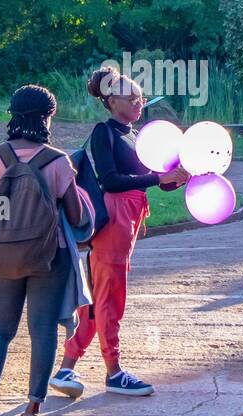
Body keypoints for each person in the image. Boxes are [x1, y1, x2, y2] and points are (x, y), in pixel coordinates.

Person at [49, 68, 188, 398]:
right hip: (113, 221)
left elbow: (150, 179)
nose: (140, 103)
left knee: (100, 298)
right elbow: (110, 180)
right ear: (112, 101)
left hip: (128, 222)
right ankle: (113, 372)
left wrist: (177, 176)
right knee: (110, 298)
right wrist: (157, 179)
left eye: (142, 97)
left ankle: (66, 368)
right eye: (132, 98)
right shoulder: (104, 133)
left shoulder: (136, 135)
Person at [0, 85, 85, 416]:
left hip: (3, 256)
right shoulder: (58, 161)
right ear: (47, 118)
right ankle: (32, 410)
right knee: (42, 330)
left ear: (12, 115)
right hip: (48, 256)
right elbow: (75, 217)